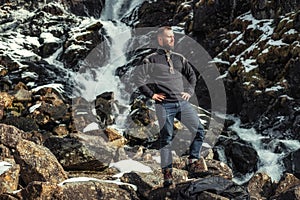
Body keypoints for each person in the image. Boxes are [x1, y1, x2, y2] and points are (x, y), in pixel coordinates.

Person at [133, 26, 206, 187]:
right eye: (169, 37)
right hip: (164, 105)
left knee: (199, 130)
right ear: (160, 40)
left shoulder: (179, 58)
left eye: (173, 36)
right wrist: (151, 95)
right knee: (166, 139)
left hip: (182, 103)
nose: (172, 39)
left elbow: (192, 75)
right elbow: (138, 77)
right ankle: (167, 173)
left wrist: (189, 91)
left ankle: (193, 160)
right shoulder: (151, 59)